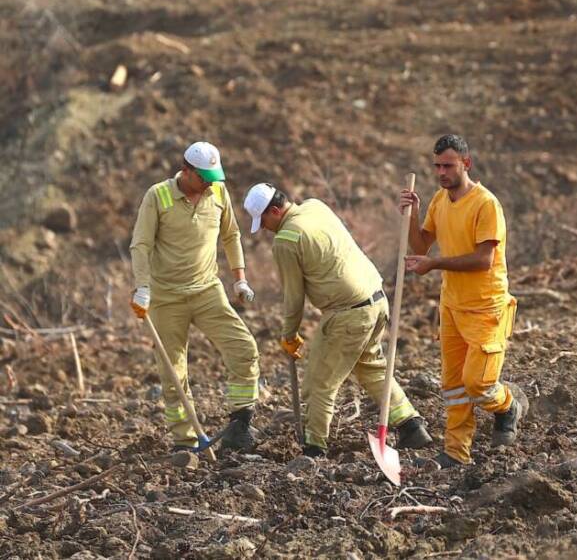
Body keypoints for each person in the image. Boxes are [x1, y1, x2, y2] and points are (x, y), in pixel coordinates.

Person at [243, 183, 432, 457]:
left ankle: (314, 449)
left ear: (274, 210)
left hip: (347, 313)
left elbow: (294, 297)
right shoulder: (315, 206)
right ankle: (411, 426)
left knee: (319, 383)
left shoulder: (286, 239)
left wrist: (288, 334)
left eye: (264, 222)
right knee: (371, 367)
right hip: (376, 300)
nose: (263, 229)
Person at [400, 134, 526, 468]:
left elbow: (484, 259)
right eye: (437, 166)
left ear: (466, 164)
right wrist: (411, 215)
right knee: (453, 385)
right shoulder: (440, 201)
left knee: (479, 383)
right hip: (452, 305)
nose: (441, 172)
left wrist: (435, 264)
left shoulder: (486, 204)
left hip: (486, 306)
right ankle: (457, 451)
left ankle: (507, 406)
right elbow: (421, 246)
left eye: (448, 165)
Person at [129, 141, 260, 452]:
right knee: (173, 371)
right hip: (166, 297)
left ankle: (239, 425)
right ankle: (185, 441)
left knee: (244, 348)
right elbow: (141, 244)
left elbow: (231, 235)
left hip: (206, 289)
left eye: (213, 177)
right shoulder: (157, 196)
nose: (209, 183)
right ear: (185, 171)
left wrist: (239, 279)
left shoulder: (218, 192)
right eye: (203, 177)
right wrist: (142, 286)